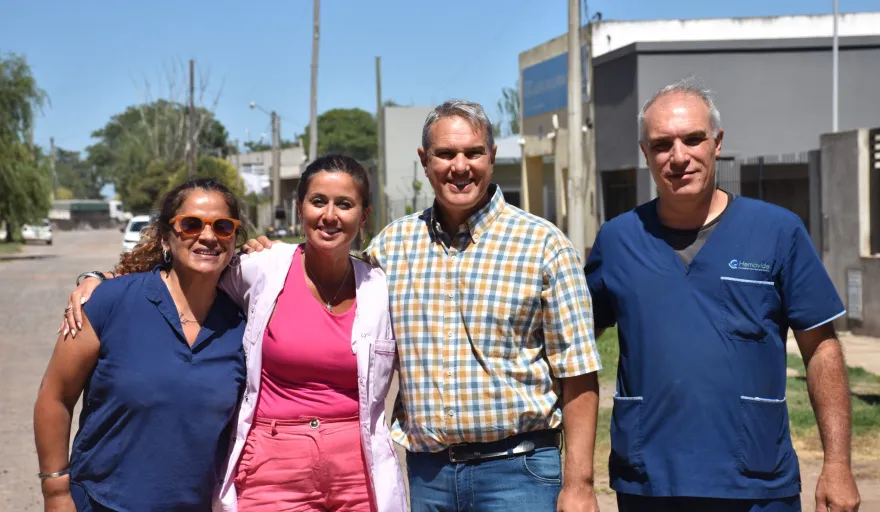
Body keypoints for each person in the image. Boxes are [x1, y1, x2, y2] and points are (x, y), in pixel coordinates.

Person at [247, 100, 603, 512]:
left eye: (473, 153)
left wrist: (579, 484)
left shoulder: (544, 245)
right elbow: (329, 267)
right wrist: (273, 258)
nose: (460, 166)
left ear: (492, 155)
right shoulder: (390, 248)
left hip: (518, 472)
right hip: (428, 476)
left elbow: (578, 372)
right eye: (446, 154)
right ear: (424, 159)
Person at [61, 156, 407, 512]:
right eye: (318, 201)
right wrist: (99, 281)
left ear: (363, 216)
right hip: (273, 467)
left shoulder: (381, 288)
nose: (330, 215)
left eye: (344, 204)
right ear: (299, 208)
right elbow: (190, 263)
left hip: (357, 471)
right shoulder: (262, 268)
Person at [585, 78, 861, 512]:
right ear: (645, 154)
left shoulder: (777, 231)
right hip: (649, 483)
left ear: (717, 143)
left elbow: (821, 349)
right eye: (662, 144)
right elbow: (574, 351)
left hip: (755, 483)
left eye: (693, 139)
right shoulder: (618, 240)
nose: (679, 157)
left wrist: (838, 465)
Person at [35, 178, 248, 511]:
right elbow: (55, 396)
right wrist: (56, 491)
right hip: (100, 502)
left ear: (234, 239)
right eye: (191, 224)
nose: (207, 236)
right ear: (165, 235)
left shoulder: (242, 323)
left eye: (223, 226)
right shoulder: (110, 301)